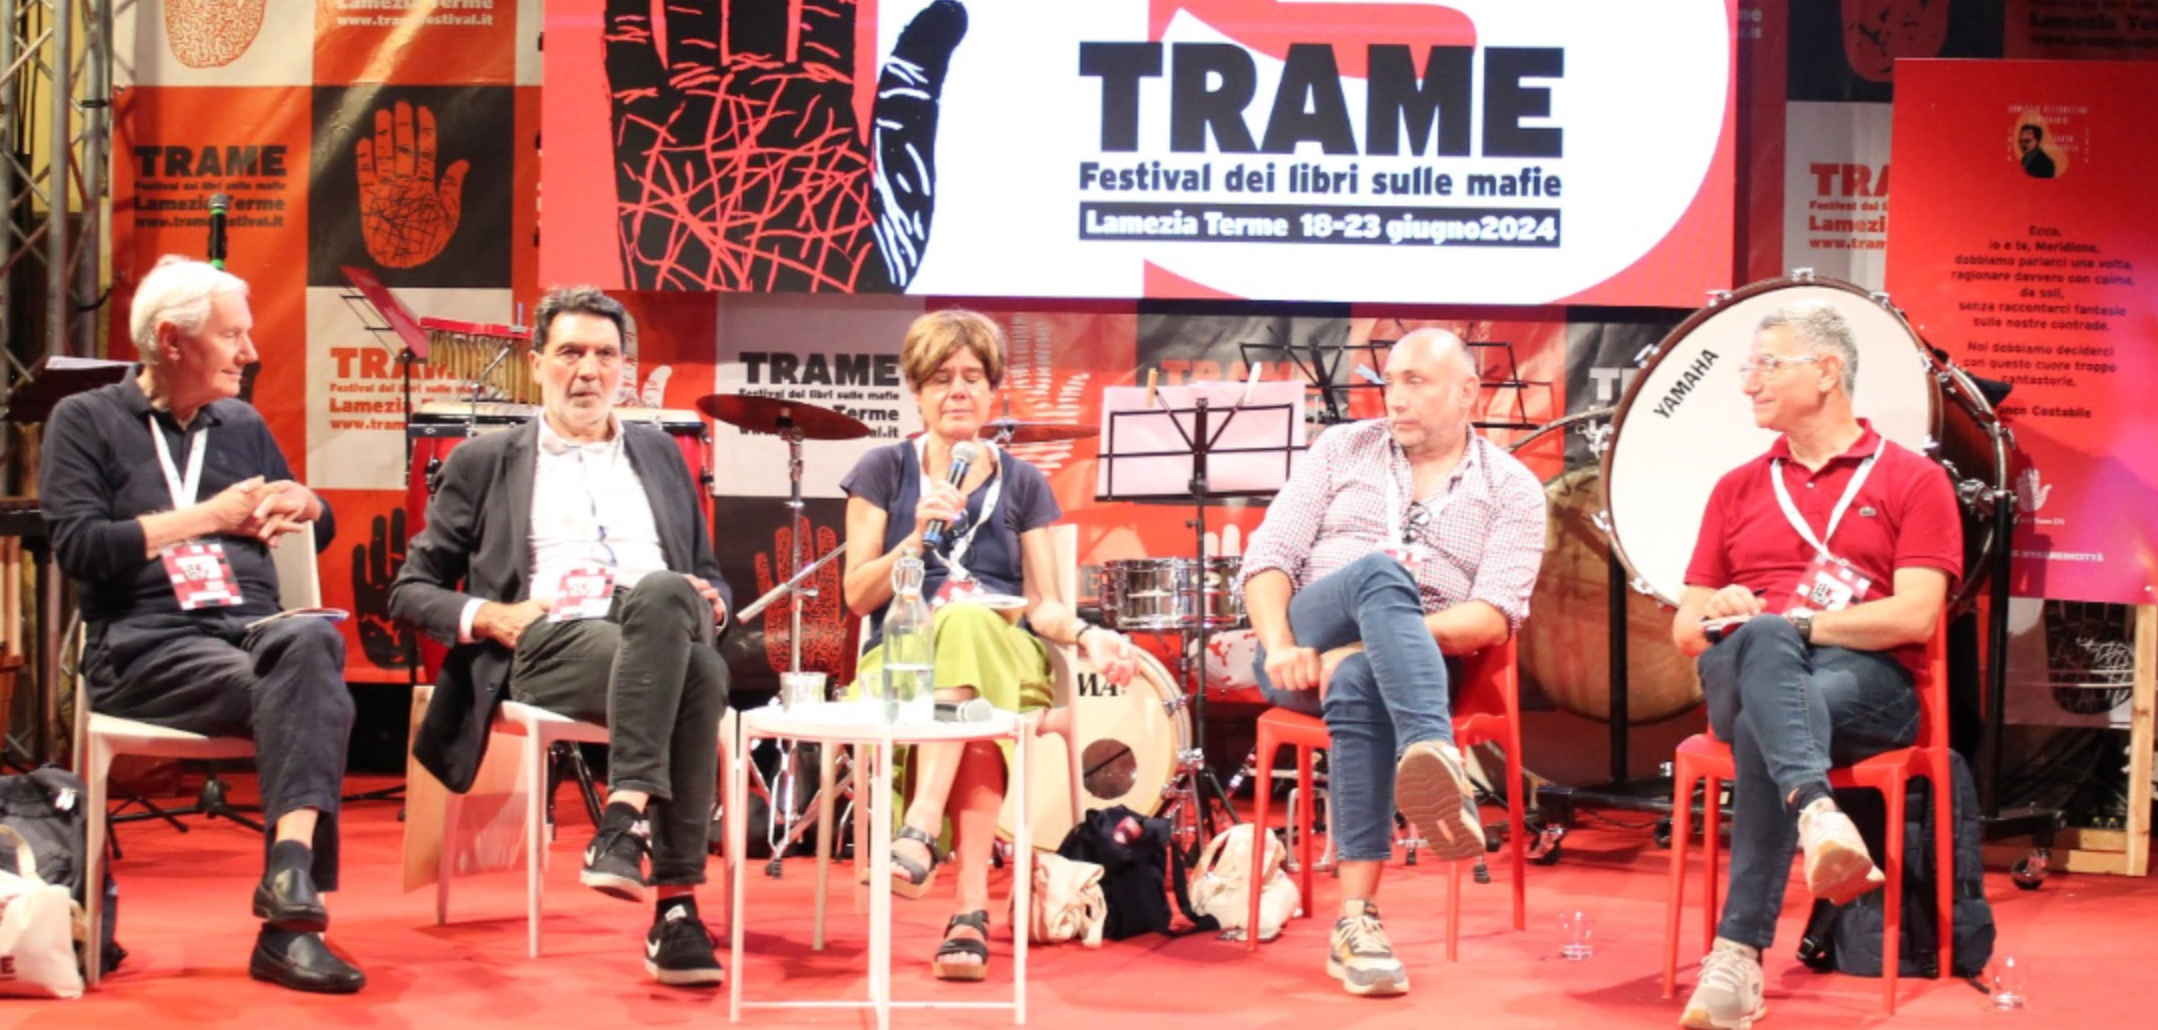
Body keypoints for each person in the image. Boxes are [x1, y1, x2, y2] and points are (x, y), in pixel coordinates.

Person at [391, 286, 733, 986]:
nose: (588, 370)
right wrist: (490, 616)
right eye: (571, 352)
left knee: (666, 595)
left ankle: (623, 821)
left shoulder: (661, 455)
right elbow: (410, 589)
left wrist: (717, 605)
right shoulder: (486, 460)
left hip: (662, 618)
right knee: (699, 674)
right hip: (554, 637)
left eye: (605, 355)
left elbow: (706, 574)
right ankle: (676, 908)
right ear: (537, 362)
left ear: (624, 369)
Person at [40, 256, 363, 993]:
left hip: (250, 634)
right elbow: (81, 547)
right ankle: (289, 931)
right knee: (311, 694)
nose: (250, 352)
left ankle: (287, 876)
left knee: (312, 637)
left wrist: (308, 503)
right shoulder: (85, 421)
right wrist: (208, 517)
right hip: (147, 646)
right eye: (232, 336)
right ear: (171, 339)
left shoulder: (240, 424)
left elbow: (316, 525)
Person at [1670, 301, 1962, 1030]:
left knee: (1769, 712)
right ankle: (1818, 813)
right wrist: (1723, 609)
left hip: (1865, 680)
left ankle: (1737, 956)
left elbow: (1917, 616)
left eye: (1767, 365)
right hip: (1741, 671)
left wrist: (1799, 623)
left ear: (1827, 370)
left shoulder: (1914, 479)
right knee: (1766, 647)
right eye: (1749, 367)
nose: (1749, 383)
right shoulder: (1737, 486)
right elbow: (1685, 629)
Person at [1237, 328, 1545, 997]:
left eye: (1416, 382)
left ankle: (1357, 923)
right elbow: (1268, 559)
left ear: (1467, 391)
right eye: (1390, 382)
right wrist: (1280, 643)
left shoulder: (1513, 487)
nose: (1394, 398)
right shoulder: (1341, 448)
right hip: (1305, 647)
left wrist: (1382, 637)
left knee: (1360, 678)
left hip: (1406, 666)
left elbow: (1494, 614)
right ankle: (1433, 754)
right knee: (1378, 573)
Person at [839, 309, 1138, 981]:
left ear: (992, 391)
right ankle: (969, 909)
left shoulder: (1024, 482)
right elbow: (858, 595)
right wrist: (914, 540)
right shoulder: (883, 469)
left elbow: (1045, 605)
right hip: (903, 658)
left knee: (970, 626)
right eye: (941, 378)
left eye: (973, 377)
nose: (958, 391)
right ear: (917, 392)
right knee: (967, 696)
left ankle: (919, 831)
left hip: (1005, 653)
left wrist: (1090, 634)